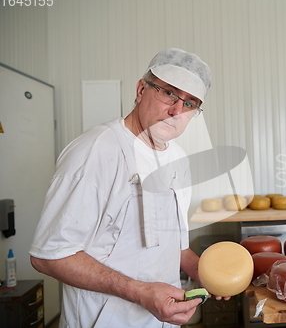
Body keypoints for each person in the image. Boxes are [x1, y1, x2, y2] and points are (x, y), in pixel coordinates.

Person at [29, 48, 221, 327]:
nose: (177, 111)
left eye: (190, 103)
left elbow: (174, 247)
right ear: (142, 89)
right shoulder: (96, 151)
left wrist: (207, 272)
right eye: (169, 93)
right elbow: (48, 256)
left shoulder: (178, 159)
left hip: (162, 321)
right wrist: (140, 292)